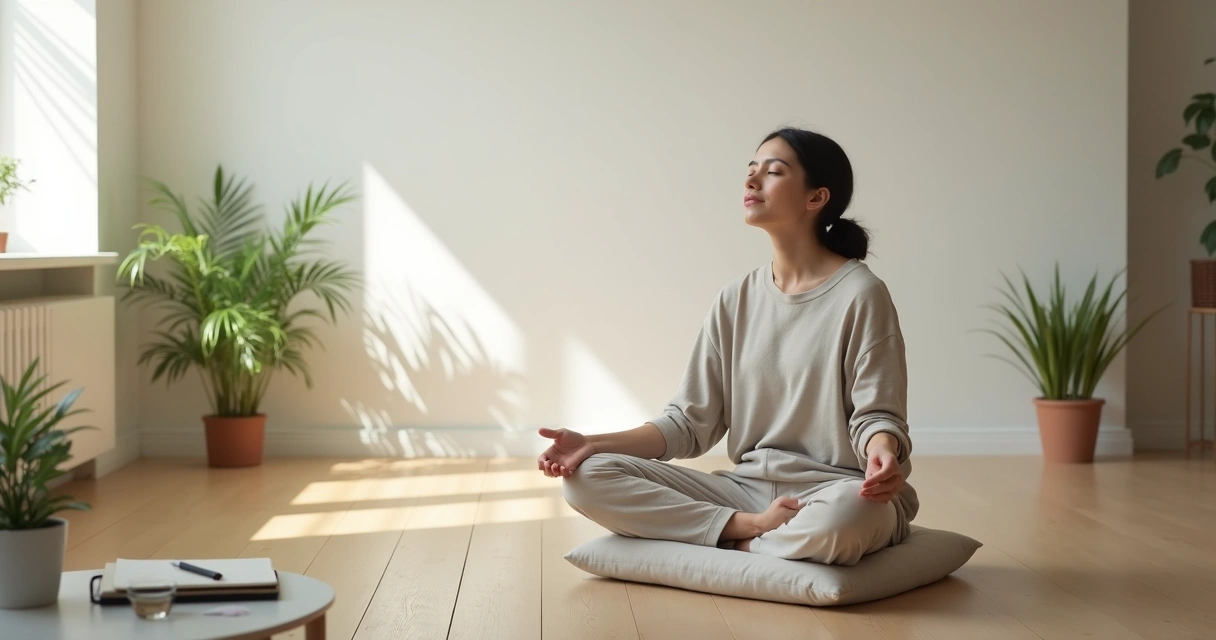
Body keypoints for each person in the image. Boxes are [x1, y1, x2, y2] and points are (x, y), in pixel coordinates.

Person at [536, 127, 917, 566]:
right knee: (586, 477)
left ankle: (741, 543)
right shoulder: (735, 298)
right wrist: (593, 443)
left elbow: (877, 413)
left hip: (836, 490)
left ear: (816, 198)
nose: (751, 182)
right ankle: (748, 532)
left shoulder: (861, 293)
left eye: (773, 172)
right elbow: (688, 424)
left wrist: (882, 452)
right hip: (746, 493)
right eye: (751, 171)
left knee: (850, 514)